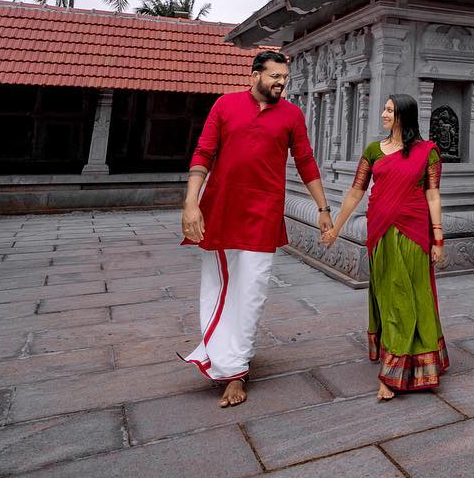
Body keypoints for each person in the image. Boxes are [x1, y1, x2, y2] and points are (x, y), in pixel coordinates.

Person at [180, 50, 333, 407]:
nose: (281, 83)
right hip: (220, 211)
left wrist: (323, 209)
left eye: (285, 78)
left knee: (252, 292)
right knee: (218, 288)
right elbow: (203, 153)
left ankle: (236, 370)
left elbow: (306, 161)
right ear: (254, 75)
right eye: (275, 76)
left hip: (264, 214)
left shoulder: (292, 115)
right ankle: (222, 355)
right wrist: (191, 202)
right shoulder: (225, 106)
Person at [321, 93, 448, 399]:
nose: (384, 114)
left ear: (404, 115)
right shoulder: (374, 151)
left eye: (390, 110)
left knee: (408, 295)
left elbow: (432, 196)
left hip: (414, 232)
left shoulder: (428, 152)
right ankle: (405, 357)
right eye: (385, 109)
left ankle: (393, 373)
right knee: (387, 295)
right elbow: (355, 192)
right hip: (379, 231)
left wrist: (439, 238)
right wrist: (336, 227)